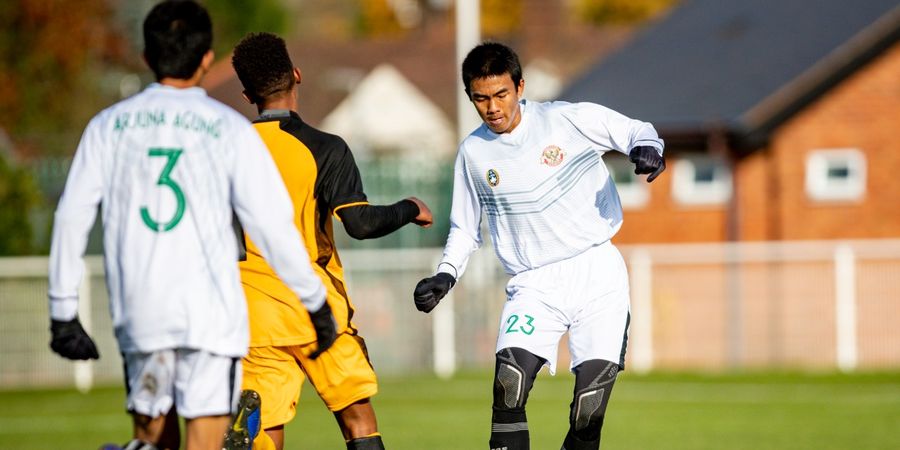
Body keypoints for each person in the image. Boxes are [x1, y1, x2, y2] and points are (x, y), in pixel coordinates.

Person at [46, 2, 337, 450]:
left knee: (152, 437)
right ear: (206, 59)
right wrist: (315, 302)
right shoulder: (229, 130)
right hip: (212, 315)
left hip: (142, 310)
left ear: (145, 57)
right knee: (205, 441)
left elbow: (72, 214)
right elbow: (271, 225)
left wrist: (64, 311)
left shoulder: (108, 126)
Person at [412, 42, 666, 450]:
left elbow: (637, 130)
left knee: (589, 408)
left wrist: (648, 149)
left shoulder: (567, 119)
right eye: (481, 98)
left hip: (597, 274)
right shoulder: (473, 154)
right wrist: (446, 274)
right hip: (533, 284)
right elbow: (464, 228)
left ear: (520, 87)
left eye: (501, 94)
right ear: (470, 97)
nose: (492, 107)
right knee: (508, 386)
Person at [227, 32, 434, 450]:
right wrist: (410, 207)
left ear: (247, 94)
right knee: (358, 419)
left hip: (254, 312)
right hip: (314, 305)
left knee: (265, 428)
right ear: (297, 76)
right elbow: (359, 223)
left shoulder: (228, 150)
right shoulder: (324, 148)